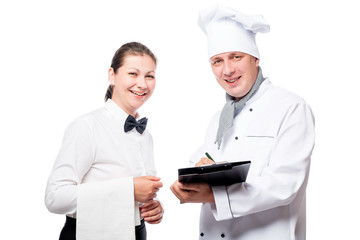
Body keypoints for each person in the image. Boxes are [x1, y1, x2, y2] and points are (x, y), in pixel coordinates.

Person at [170, 5, 315, 240]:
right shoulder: (219, 118)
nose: (227, 70)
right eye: (217, 61)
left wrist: (212, 195)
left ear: (255, 59)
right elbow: (201, 160)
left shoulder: (291, 107)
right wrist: (189, 180)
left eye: (236, 57)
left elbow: (284, 185)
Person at [45, 42, 164, 240]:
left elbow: (138, 196)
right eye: (133, 74)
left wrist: (154, 207)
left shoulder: (146, 135)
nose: (142, 84)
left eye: (149, 76)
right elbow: (55, 198)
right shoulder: (86, 126)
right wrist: (129, 190)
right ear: (112, 76)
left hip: (136, 234)